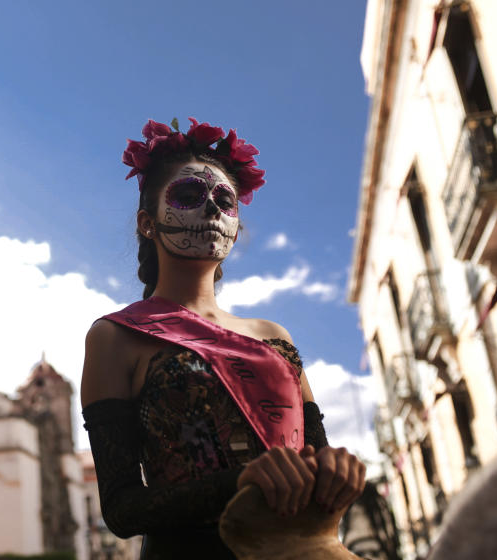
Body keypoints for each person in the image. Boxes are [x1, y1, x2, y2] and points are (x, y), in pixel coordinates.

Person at [80, 118, 366, 558]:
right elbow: (121, 509)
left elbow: (315, 462)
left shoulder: (275, 337)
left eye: (225, 201)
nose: (211, 210)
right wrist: (241, 483)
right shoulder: (115, 337)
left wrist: (337, 472)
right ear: (147, 222)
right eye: (189, 196)